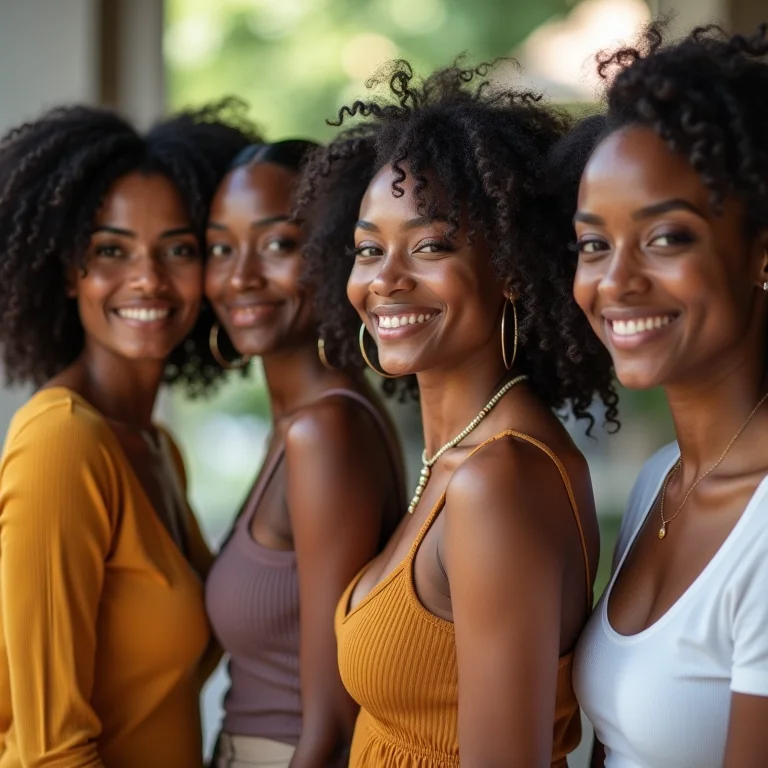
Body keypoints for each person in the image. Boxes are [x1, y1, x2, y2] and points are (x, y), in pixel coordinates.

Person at [295, 60, 618, 767]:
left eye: (430, 246)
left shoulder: (499, 479)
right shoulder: (458, 458)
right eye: (369, 249)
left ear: (511, 269)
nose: (386, 278)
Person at [0, 101, 256, 768]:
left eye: (179, 249)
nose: (147, 278)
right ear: (67, 271)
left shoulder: (156, 447)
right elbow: (50, 751)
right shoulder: (62, 442)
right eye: (110, 250)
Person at [571, 23, 768, 768]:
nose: (616, 282)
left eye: (667, 238)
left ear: (761, 254)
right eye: (594, 244)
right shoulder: (661, 480)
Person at [203, 141, 405, 768]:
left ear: (334, 253)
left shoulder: (326, 432)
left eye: (277, 244)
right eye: (219, 248)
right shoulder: (297, 424)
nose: (240, 276)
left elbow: (333, 726)